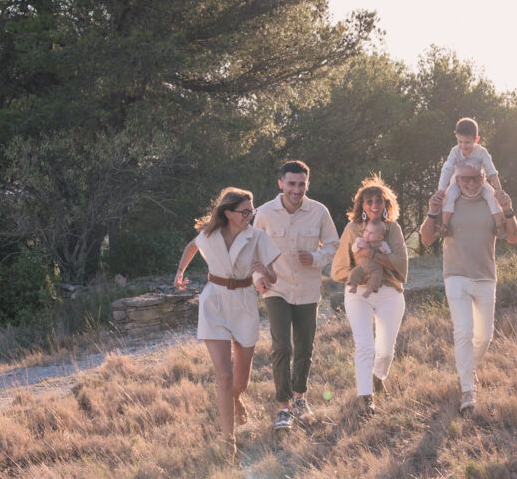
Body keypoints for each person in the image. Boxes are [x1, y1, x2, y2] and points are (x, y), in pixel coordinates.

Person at [174, 187, 280, 445]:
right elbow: (191, 246)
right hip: (214, 302)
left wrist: (264, 271)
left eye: (251, 210)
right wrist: (179, 273)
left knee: (240, 382)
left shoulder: (257, 236)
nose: (250, 215)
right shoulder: (209, 234)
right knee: (224, 376)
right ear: (229, 213)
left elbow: (274, 277)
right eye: (245, 211)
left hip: (244, 303)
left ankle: (236, 398)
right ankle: (228, 439)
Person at [421, 156, 517, 414]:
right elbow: (427, 239)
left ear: (483, 178)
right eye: (464, 178)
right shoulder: (448, 203)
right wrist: (432, 212)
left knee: (484, 336)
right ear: (457, 179)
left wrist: (509, 210)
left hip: (486, 276)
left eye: (475, 178)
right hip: (456, 275)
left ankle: (467, 369)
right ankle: (467, 389)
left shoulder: (493, 202)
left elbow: (513, 237)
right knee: (463, 331)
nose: (470, 183)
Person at [253, 160, 339, 430]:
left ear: (307, 184)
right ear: (281, 183)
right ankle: (284, 408)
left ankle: (300, 398)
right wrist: (258, 279)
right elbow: (253, 251)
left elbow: (334, 246)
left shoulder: (319, 212)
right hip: (276, 289)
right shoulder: (265, 213)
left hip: (308, 290)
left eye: (301, 184)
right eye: (291, 183)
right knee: (282, 347)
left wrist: (314, 257)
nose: (296, 189)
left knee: (304, 348)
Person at [332, 175, 409, 415]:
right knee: (365, 345)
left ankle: (378, 376)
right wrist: (358, 276)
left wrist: (374, 256)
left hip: (389, 292)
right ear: (362, 206)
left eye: (379, 200)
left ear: (386, 204)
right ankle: (366, 396)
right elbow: (337, 269)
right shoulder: (352, 229)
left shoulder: (393, 229)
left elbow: (402, 265)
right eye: (369, 201)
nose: (375, 205)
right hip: (359, 294)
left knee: (385, 350)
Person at [436, 117, 505, 235]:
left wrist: (498, 189)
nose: (463, 146)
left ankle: (499, 226)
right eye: (460, 141)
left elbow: (491, 171)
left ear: (476, 140)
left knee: (492, 196)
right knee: (449, 196)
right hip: (459, 182)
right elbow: (447, 170)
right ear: (456, 137)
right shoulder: (454, 152)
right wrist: (441, 190)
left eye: (467, 142)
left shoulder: (481, 152)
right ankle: (444, 225)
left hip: (479, 182)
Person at [347, 218, 392, 297]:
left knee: (377, 276)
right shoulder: (360, 240)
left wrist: (384, 250)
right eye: (366, 231)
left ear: (380, 237)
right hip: (361, 267)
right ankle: (354, 286)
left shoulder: (382, 244)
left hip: (375, 268)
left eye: (371, 233)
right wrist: (358, 245)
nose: (367, 234)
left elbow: (388, 252)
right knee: (354, 272)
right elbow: (353, 249)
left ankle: (370, 290)